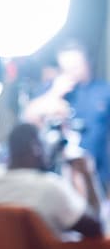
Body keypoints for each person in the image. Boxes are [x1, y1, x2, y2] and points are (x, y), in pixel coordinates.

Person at [0, 121, 103, 238]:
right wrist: (87, 175)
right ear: (35, 147)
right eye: (44, 144)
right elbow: (96, 228)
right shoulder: (49, 186)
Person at [22, 40, 110, 190]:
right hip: (59, 175)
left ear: (87, 62)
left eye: (75, 66)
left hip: (98, 174)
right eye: (66, 68)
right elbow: (28, 116)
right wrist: (54, 93)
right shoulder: (53, 89)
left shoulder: (103, 91)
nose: (72, 71)